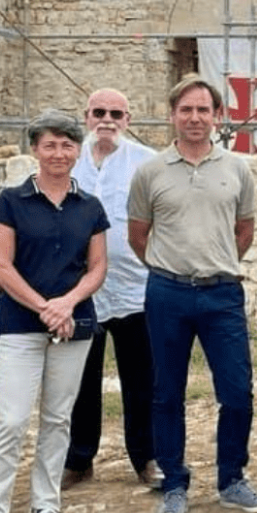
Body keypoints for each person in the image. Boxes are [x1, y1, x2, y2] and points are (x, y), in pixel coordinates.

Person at [129, 75, 257, 513]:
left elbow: (243, 231)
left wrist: (215, 262)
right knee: (166, 392)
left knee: (237, 392)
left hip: (222, 294)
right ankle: (174, 483)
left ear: (217, 116)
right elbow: (139, 236)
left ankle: (231, 479)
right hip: (167, 292)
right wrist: (174, 265)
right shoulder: (151, 171)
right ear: (173, 115)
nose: (195, 118)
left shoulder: (237, 168)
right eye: (186, 110)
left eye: (203, 110)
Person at [0, 109, 108, 513]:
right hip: (22, 325)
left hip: (73, 325)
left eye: (67, 145)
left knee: (57, 421)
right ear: (35, 149)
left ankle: (44, 510)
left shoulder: (89, 205)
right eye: (49, 145)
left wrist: (65, 305)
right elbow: (3, 266)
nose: (59, 153)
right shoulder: (11, 201)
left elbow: (97, 268)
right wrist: (45, 307)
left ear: (78, 150)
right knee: (11, 422)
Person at [62, 88, 160, 490]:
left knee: (142, 380)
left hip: (135, 289)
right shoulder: (66, 160)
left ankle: (146, 457)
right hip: (79, 292)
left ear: (128, 119)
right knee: (79, 380)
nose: (107, 119)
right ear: (85, 116)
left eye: (116, 113)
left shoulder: (147, 163)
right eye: (98, 111)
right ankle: (79, 458)